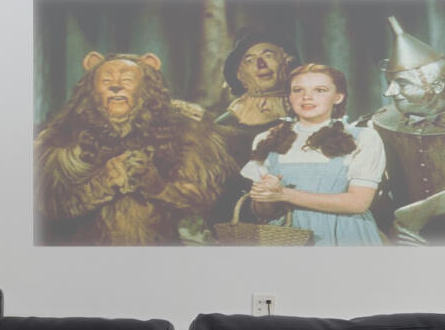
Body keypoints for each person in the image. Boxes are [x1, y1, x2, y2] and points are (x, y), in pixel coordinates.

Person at [34, 51, 229, 245]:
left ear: (146, 90)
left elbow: (205, 200)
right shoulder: (64, 135)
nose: (116, 86)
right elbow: (47, 204)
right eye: (106, 81)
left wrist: (158, 187)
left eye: (127, 80)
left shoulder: (184, 131)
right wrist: (102, 184)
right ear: (91, 91)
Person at [366, 15, 445, 242]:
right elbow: (371, 190)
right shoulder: (380, 122)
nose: (389, 92)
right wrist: (392, 228)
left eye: (402, 83)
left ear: (438, 85)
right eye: (390, 82)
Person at [240, 63, 386, 246]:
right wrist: (265, 196)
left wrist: (285, 194)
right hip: (286, 237)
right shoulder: (266, 139)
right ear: (289, 97)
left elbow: (358, 203)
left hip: (344, 235)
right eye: (298, 90)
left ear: (338, 97)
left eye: (320, 90)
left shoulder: (363, 137)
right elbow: (263, 213)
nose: (307, 97)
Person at [211, 35, 295, 173]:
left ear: (287, 62)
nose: (261, 64)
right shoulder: (224, 127)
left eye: (268, 56)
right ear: (240, 75)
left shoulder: (310, 112)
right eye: (250, 60)